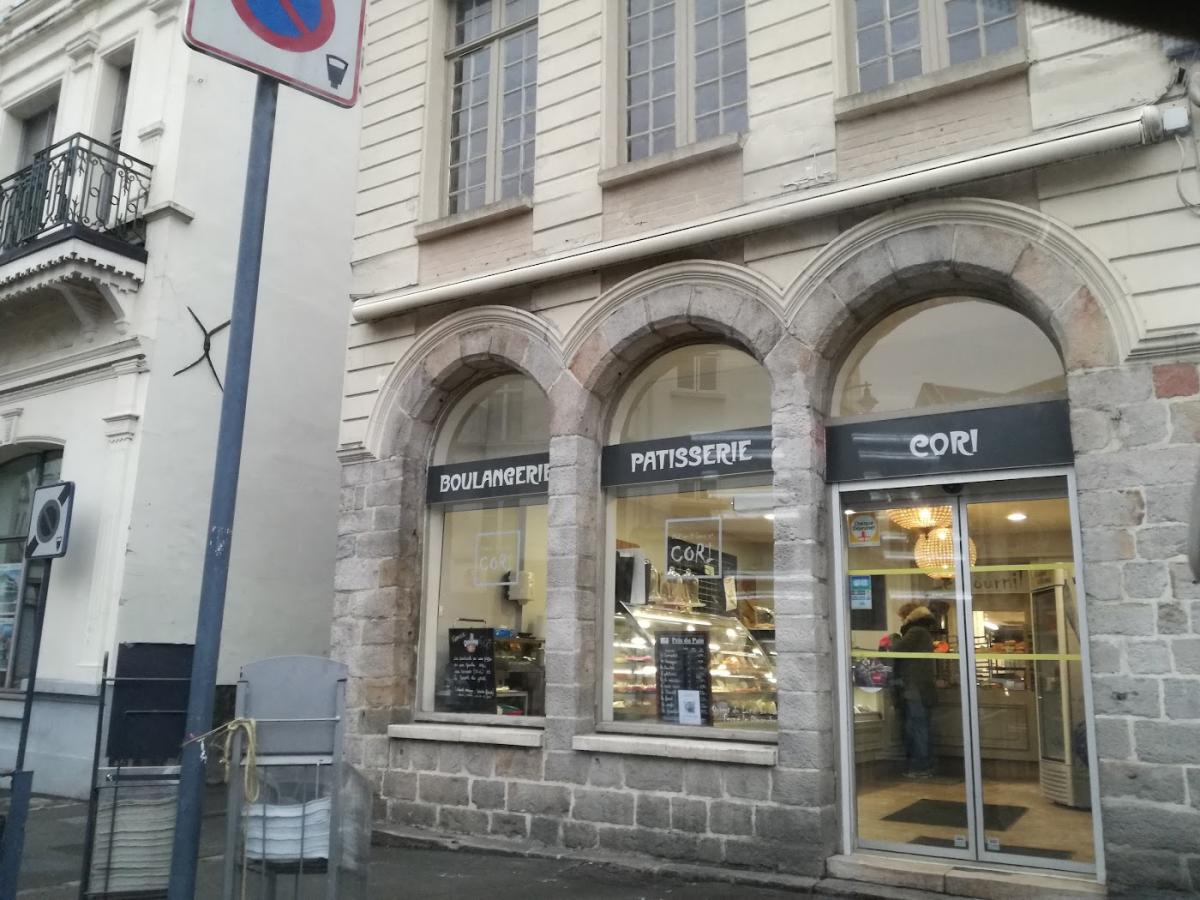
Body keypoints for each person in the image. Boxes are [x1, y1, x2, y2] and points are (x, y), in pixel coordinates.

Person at [893, 604, 938, 778]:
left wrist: (894, 638)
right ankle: (923, 765)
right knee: (921, 727)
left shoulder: (915, 632)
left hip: (915, 689)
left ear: (908, 615)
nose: (901, 620)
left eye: (901, 617)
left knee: (917, 728)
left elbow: (896, 650)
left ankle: (921, 767)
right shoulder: (924, 631)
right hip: (921, 688)